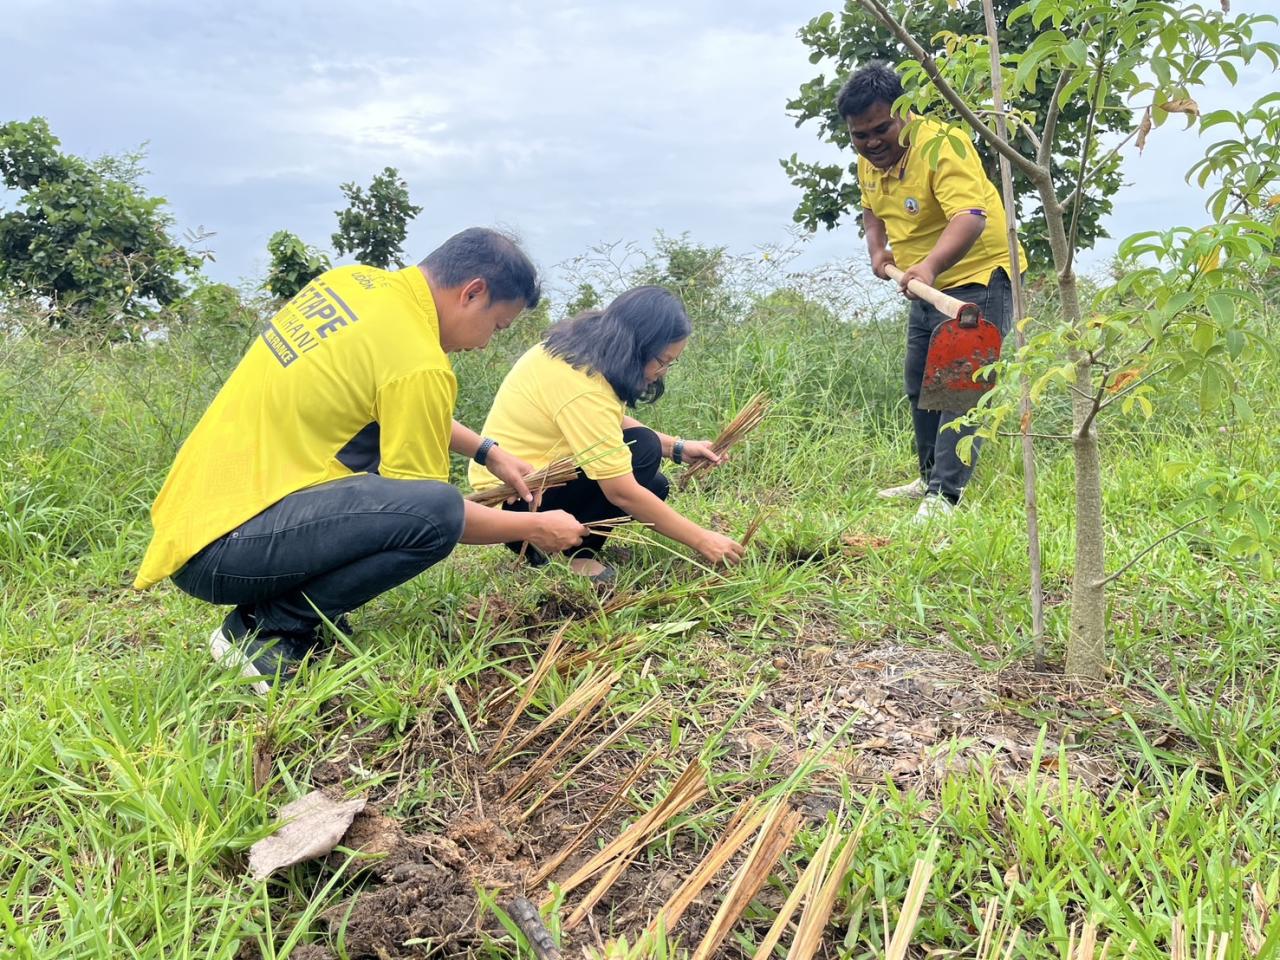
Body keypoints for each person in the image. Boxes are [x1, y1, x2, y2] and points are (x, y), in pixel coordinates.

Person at [133, 228, 588, 693]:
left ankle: (290, 612)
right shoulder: (420, 361)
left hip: (195, 520)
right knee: (436, 510)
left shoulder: (350, 285)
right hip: (227, 550)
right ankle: (264, 630)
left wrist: (488, 452)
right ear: (473, 292)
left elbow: (386, 396)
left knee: (387, 460)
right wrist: (535, 527)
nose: (486, 344)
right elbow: (436, 516)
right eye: (497, 327)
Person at [838, 61, 1023, 521]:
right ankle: (927, 479)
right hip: (923, 284)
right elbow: (871, 210)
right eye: (860, 135)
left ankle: (945, 497)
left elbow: (970, 218)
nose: (871, 142)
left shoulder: (943, 145)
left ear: (906, 113)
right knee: (920, 383)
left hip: (976, 277)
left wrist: (929, 266)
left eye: (881, 128)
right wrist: (879, 252)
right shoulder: (869, 159)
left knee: (959, 388)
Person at [468, 285, 745, 581]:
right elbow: (621, 492)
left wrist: (677, 447)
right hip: (519, 502)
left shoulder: (575, 353)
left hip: (533, 484)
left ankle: (569, 544)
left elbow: (606, 421)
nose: (663, 372)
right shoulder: (582, 385)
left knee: (655, 485)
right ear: (637, 345)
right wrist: (704, 540)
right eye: (662, 361)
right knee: (643, 450)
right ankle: (566, 555)